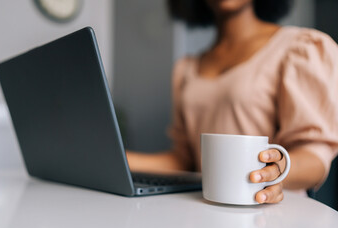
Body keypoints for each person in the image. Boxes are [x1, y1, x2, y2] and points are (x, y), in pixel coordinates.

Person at [127, 0, 338, 204]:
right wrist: (116, 160)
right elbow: (185, 160)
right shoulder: (187, 69)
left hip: (270, 211)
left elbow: (315, 156)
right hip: (207, 209)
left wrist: (274, 171)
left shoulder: (298, 48)